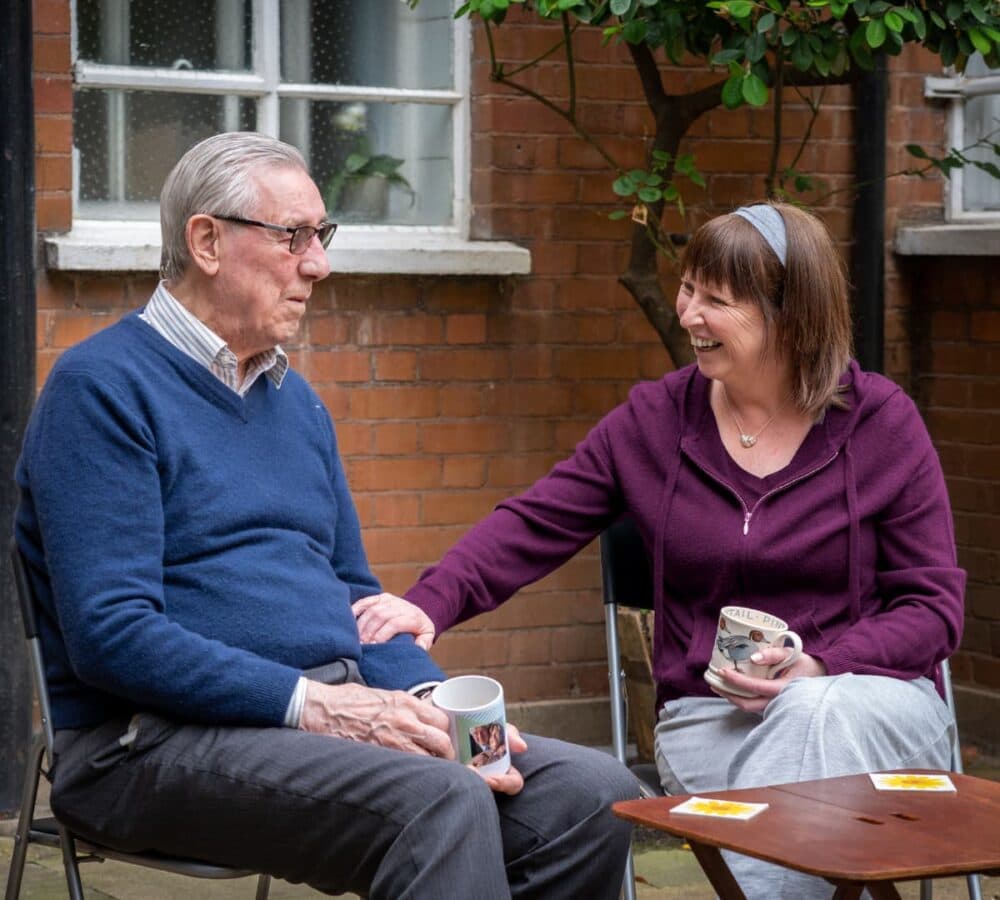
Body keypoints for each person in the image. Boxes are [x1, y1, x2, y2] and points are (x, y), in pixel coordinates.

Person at [14, 131, 639, 900]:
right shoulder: (101, 390)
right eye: (294, 237)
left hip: (314, 721)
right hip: (146, 742)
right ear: (206, 241)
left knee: (589, 790)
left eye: (322, 236)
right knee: (441, 802)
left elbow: (357, 600)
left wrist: (429, 706)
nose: (319, 263)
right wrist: (318, 707)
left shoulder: (296, 404)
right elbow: (113, 637)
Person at [355, 202, 967, 900]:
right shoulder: (654, 422)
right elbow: (534, 521)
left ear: (790, 313)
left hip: (875, 704)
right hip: (711, 720)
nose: (688, 314)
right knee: (803, 803)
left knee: (811, 715)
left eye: (716, 300)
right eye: (687, 289)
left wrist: (822, 665)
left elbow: (934, 610)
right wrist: (429, 603)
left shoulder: (882, 423)